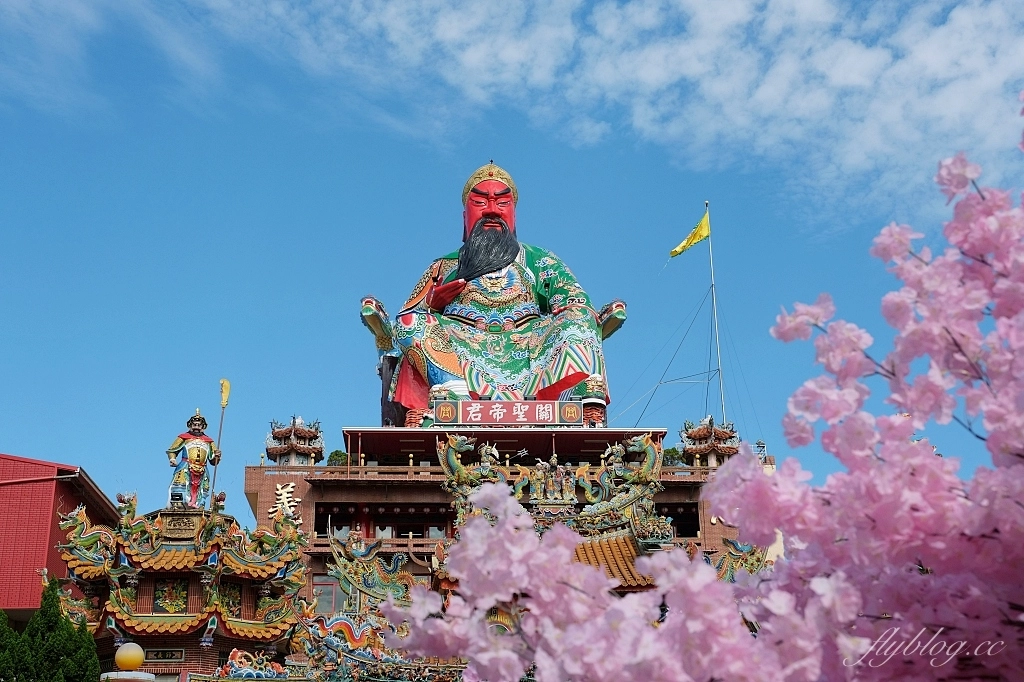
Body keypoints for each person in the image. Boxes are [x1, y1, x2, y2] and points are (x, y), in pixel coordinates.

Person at [366, 163, 625, 420]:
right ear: (465, 217)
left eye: (502, 203)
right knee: (410, 321)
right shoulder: (443, 266)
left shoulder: (539, 259)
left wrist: (577, 315)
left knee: (579, 316)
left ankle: (572, 395)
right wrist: (433, 304)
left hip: (528, 347)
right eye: (480, 203)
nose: (492, 210)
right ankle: (452, 391)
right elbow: (404, 321)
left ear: (514, 214)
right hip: (458, 348)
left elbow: (573, 300)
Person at [166, 410, 220, 508]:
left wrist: (217, 456)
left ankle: (199, 507)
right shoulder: (184, 438)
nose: (196, 427)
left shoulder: (209, 441)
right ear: (190, 425)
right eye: (194, 424)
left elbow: (213, 461)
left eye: (199, 425)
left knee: (202, 491)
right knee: (180, 486)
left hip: (202, 470)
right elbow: (172, 450)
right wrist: (172, 459)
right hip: (186, 466)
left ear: (203, 427)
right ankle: (178, 506)